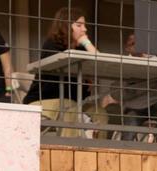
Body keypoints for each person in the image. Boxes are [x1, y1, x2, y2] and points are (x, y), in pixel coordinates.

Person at [21, 7, 114, 135]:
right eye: (79, 25)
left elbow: (101, 62)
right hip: (43, 101)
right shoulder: (52, 44)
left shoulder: (81, 48)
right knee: (69, 107)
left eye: (84, 25)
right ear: (65, 26)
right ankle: (70, 147)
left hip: (75, 103)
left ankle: (97, 147)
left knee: (100, 113)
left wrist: (87, 43)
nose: (85, 29)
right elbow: (64, 70)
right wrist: (85, 74)